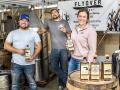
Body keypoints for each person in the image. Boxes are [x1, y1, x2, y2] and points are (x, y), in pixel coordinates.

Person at [4, 13, 42, 90]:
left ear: (28, 22)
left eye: (26, 20)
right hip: (16, 64)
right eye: (22, 20)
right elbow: (6, 46)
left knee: (32, 84)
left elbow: (39, 46)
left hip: (30, 63)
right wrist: (18, 51)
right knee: (15, 85)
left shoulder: (33, 33)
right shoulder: (13, 33)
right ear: (19, 21)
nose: (24, 22)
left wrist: (33, 57)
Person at [40, 8, 71, 90]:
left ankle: (62, 85)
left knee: (64, 68)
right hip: (54, 49)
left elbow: (70, 33)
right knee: (53, 66)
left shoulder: (64, 22)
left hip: (64, 48)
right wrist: (33, 32)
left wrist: (65, 30)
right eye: (52, 13)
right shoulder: (48, 22)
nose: (54, 14)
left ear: (58, 13)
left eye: (55, 12)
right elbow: (42, 30)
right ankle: (67, 82)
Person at [68, 8, 97, 73]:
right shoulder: (75, 28)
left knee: (80, 82)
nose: (82, 18)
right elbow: (73, 42)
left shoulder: (91, 30)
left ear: (87, 19)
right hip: (72, 59)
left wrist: (88, 64)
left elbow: (92, 50)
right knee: (70, 80)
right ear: (77, 17)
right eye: (80, 16)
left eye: (84, 17)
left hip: (83, 61)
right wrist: (69, 46)